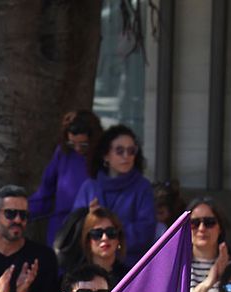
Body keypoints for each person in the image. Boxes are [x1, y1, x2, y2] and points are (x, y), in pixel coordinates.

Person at [71, 125, 155, 261]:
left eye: (131, 151)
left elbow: (146, 232)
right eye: (119, 151)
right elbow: (75, 229)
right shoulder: (89, 187)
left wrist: (110, 233)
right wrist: (89, 219)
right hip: (92, 264)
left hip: (130, 264)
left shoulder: (142, 187)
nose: (126, 156)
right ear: (106, 155)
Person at [31, 109, 102, 241]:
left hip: (91, 230)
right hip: (61, 229)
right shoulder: (63, 153)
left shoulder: (104, 158)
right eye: (72, 144)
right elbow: (45, 192)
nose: (77, 149)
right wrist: (24, 212)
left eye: (83, 145)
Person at [185, 198, 231, 292]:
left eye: (209, 223)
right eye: (194, 223)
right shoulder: (175, 267)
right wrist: (209, 282)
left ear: (220, 227)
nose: (201, 228)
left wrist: (226, 277)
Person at [63, 206, 125, 281]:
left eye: (111, 232)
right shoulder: (74, 278)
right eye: (97, 233)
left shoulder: (130, 277)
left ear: (119, 238)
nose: (104, 238)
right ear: (87, 240)